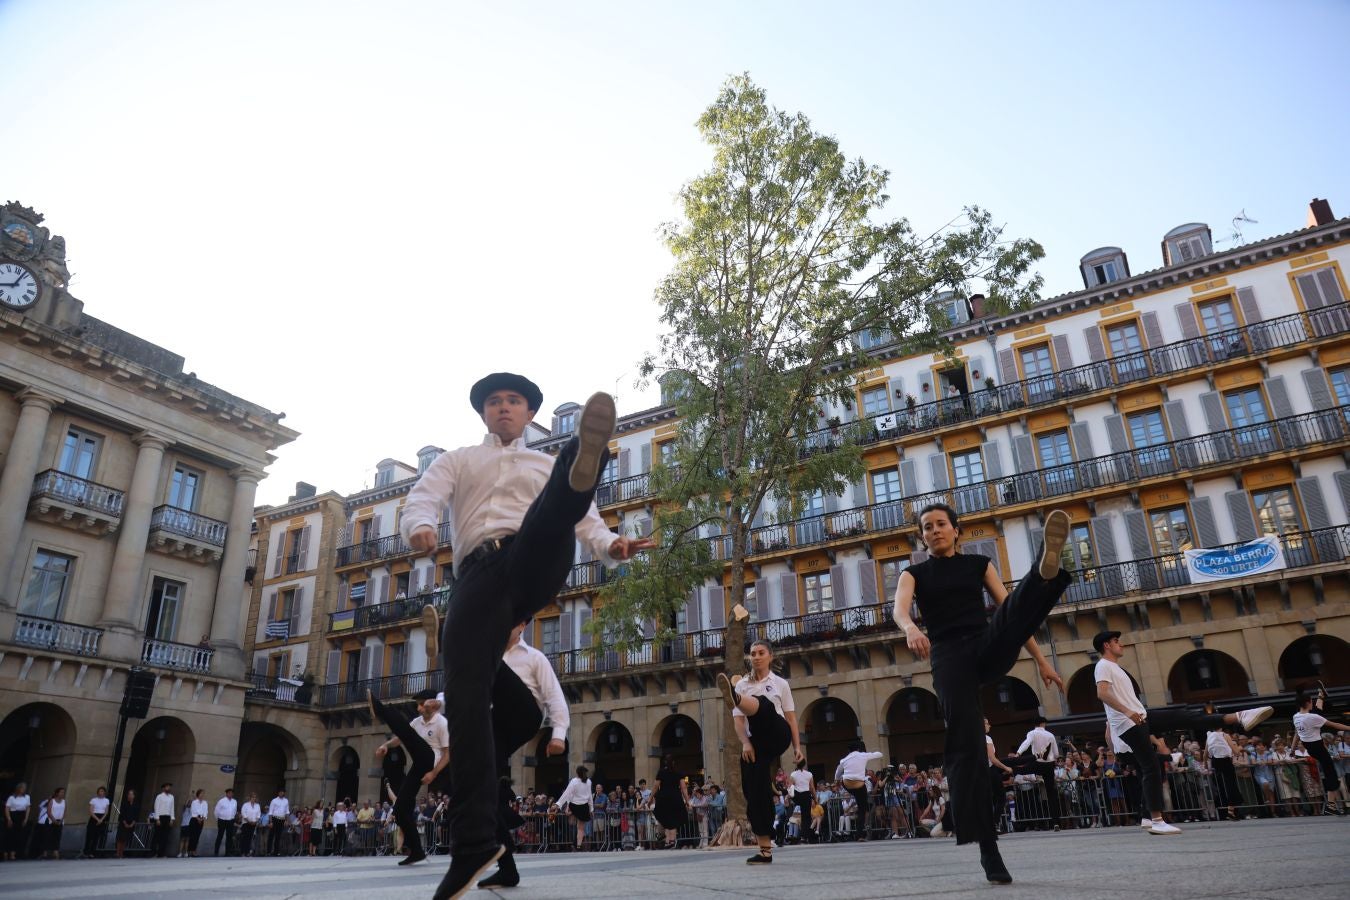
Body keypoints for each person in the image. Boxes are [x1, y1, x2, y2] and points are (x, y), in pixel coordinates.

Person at [398, 375, 650, 899]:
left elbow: (590, 526)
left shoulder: (538, 462)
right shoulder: (459, 459)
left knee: (553, 510)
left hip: (536, 555)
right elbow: (424, 496)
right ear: (484, 414)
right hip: (476, 576)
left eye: (513, 401)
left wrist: (612, 547)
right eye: (495, 402)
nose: (504, 408)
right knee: (465, 703)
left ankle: (582, 460)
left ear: (529, 412)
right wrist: (420, 528)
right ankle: (472, 845)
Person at [893, 504, 1072, 884]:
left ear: (957, 530)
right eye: (928, 527)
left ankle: (1043, 570)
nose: (936, 530)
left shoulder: (978, 564)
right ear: (922, 536)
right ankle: (988, 849)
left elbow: (1010, 611)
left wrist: (1041, 660)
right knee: (967, 742)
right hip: (948, 656)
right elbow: (899, 609)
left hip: (986, 644)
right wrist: (910, 628)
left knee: (1011, 609)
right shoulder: (914, 573)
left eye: (942, 524)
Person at [1093, 629, 1274, 836]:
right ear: (1107, 645)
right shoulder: (1103, 666)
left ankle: (1239, 716)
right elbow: (1102, 693)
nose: (1121, 644)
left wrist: (1133, 711)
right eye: (1117, 641)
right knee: (1151, 767)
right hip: (1129, 723)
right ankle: (1157, 820)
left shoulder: (1114, 667)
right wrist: (1128, 711)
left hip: (1141, 717)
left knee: (1182, 716)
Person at [715, 637, 803, 865]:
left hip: (777, 732)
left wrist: (797, 747)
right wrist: (745, 742)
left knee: (763, 704)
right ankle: (764, 850)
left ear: (770, 656)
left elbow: (791, 717)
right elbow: (738, 722)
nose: (755, 657)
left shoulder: (780, 683)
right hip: (756, 743)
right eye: (752, 653)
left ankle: (735, 699)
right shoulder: (743, 683)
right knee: (754, 791)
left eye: (760, 653)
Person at [371, 689, 449, 865]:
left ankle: (381, 709)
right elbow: (401, 737)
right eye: (418, 704)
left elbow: (447, 754)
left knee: (411, 737)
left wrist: (433, 773)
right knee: (399, 810)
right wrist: (386, 745)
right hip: (418, 764)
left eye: (422, 704)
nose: (419, 708)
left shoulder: (441, 723)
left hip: (430, 760)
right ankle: (417, 851)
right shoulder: (418, 722)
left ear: (431, 704)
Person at [1293, 684, 1349, 814]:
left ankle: (1321, 695)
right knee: (1332, 777)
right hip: (1318, 747)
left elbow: (1296, 733)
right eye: (1311, 701)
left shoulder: (1296, 717)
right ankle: (1330, 805)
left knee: (1318, 711)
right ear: (1308, 702)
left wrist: (1292, 748)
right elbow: (1335, 725)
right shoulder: (1312, 717)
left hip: (1311, 747)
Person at [1017, 716, 1062, 830]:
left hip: (1037, 762)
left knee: (1021, 770)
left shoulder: (1032, 733)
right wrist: (1053, 758)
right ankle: (1056, 822)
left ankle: (1006, 769)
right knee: (1051, 793)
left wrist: (1018, 753)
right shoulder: (1050, 735)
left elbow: (1026, 743)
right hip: (1049, 764)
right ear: (1043, 723)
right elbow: (1056, 754)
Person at [835, 741, 882, 841]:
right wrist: (868, 754)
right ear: (858, 749)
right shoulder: (862, 755)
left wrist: (837, 781)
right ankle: (859, 835)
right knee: (862, 809)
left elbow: (838, 771)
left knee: (858, 798)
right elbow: (879, 754)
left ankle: (855, 800)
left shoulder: (844, 759)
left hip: (846, 782)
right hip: (858, 784)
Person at [1205, 725, 1243, 821]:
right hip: (1225, 761)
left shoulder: (1209, 736)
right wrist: (1239, 747)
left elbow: (1205, 753)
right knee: (1231, 785)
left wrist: (1205, 764)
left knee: (1222, 786)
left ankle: (1229, 810)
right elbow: (1236, 752)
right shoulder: (1225, 735)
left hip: (1215, 762)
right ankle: (1231, 811)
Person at [554, 766, 594, 851]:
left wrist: (559, 804)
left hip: (574, 805)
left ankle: (574, 843)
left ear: (577, 773)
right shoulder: (589, 781)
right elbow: (590, 796)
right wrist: (591, 809)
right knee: (581, 828)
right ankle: (578, 845)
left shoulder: (574, 781)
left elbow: (567, 793)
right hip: (584, 806)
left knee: (572, 825)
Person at [654, 753, 689, 849]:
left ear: (665, 762)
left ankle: (668, 841)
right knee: (673, 819)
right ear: (674, 762)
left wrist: (650, 798)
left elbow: (656, 787)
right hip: (675, 797)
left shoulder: (661, 772)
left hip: (663, 798)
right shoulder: (678, 773)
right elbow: (684, 788)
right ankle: (672, 840)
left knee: (666, 819)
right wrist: (687, 801)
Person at [985, 719, 1014, 832]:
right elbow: (992, 759)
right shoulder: (987, 738)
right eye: (987, 723)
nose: (989, 725)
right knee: (1001, 797)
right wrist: (1006, 768)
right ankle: (994, 824)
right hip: (990, 770)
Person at [785, 759, 816, 844]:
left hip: (797, 795)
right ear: (804, 765)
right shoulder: (809, 774)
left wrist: (789, 796)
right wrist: (815, 798)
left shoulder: (793, 774)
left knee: (802, 814)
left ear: (796, 765)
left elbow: (790, 786)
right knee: (806, 817)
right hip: (806, 795)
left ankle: (798, 835)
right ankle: (804, 836)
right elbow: (812, 788)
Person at [37, 787, 65, 859]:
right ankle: (45, 853)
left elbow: (64, 811)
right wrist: (53, 820)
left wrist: (61, 820)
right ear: (57, 793)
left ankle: (55, 852)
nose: (62, 793)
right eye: (61, 792)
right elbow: (49, 811)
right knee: (47, 836)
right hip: (50, 821)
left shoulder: (64, 802)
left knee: (57, 837)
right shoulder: (52, 801)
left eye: (63, 792)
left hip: (59, 821)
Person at [83, 786, 110, 858]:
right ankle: (86, 852)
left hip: (102, 817)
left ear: (104, 792)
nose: (101, 792)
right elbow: (91, 811)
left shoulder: (106, 800)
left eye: (102, 791)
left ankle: (92, 852)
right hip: (94, 817)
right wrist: (97, 819)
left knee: (96, 837)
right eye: (100, 791)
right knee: (90, 836)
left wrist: (101, 820)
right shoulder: (93, 800)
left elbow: (106, 811)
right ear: (97, 792)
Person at [152, 783, 175, 858]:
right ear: (163, 788)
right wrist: (157, 818)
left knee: (165, 836)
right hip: (160, 817)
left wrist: (172, 819)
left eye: (169, 787)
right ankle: (153, 852)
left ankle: (162, 853)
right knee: (157, 836)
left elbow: (172, 808)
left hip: (167, 817)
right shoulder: (159, 796)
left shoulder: (171, 797)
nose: (169, 788)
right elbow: (156, 807)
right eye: (167, 787)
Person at [213, 788, 238, 856]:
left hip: (230, 821)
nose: (231, 794)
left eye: (232, 793)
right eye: (229, 793)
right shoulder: (221, 801)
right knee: (220, 836)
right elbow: (216, 811)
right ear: (226, 793)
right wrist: (218, 818)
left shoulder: (234, 801)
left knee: (229, 837)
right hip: (222, 820)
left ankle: (227, 852)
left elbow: (235, 811)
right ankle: (216, 852)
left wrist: (232, 818)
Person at [267, 788, 290, 856]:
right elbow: (270, 812)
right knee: (271, 835)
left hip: (282, 819)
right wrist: (270, 822)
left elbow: (287, 811)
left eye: (283, 792)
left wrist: (286, 820)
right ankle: (269, 851)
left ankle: (276, 851)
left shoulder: (286, 801)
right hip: (275, 818)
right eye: (280, 792)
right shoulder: (274, 801)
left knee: (278, 836)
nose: (281, 793)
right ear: (278, 793)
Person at [186, 789, 208, 856]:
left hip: (201, 820)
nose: (202, 795)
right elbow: (193, 811)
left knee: (197, 836)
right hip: (194, 819)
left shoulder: (205, 803)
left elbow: (206, 811)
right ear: (198, 794)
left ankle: (194, 850)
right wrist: (197, 818)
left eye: (203, 794)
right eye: (201, 793)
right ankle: (189, 850)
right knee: (192, 836)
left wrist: (203, 818)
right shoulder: (194, 802)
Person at [239, 792, 261, 857]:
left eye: (255, 797)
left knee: (250, 838)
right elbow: (243, 813)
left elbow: (258, 814)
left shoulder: (257, 805)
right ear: (250, 798)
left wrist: (256, 821)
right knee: (244, 838)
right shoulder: (245, 805)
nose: (254, 798)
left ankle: (247, 852)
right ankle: (242, 852)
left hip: (253, 823)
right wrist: (248, 821)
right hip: (246, 823)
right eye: (252, 797)